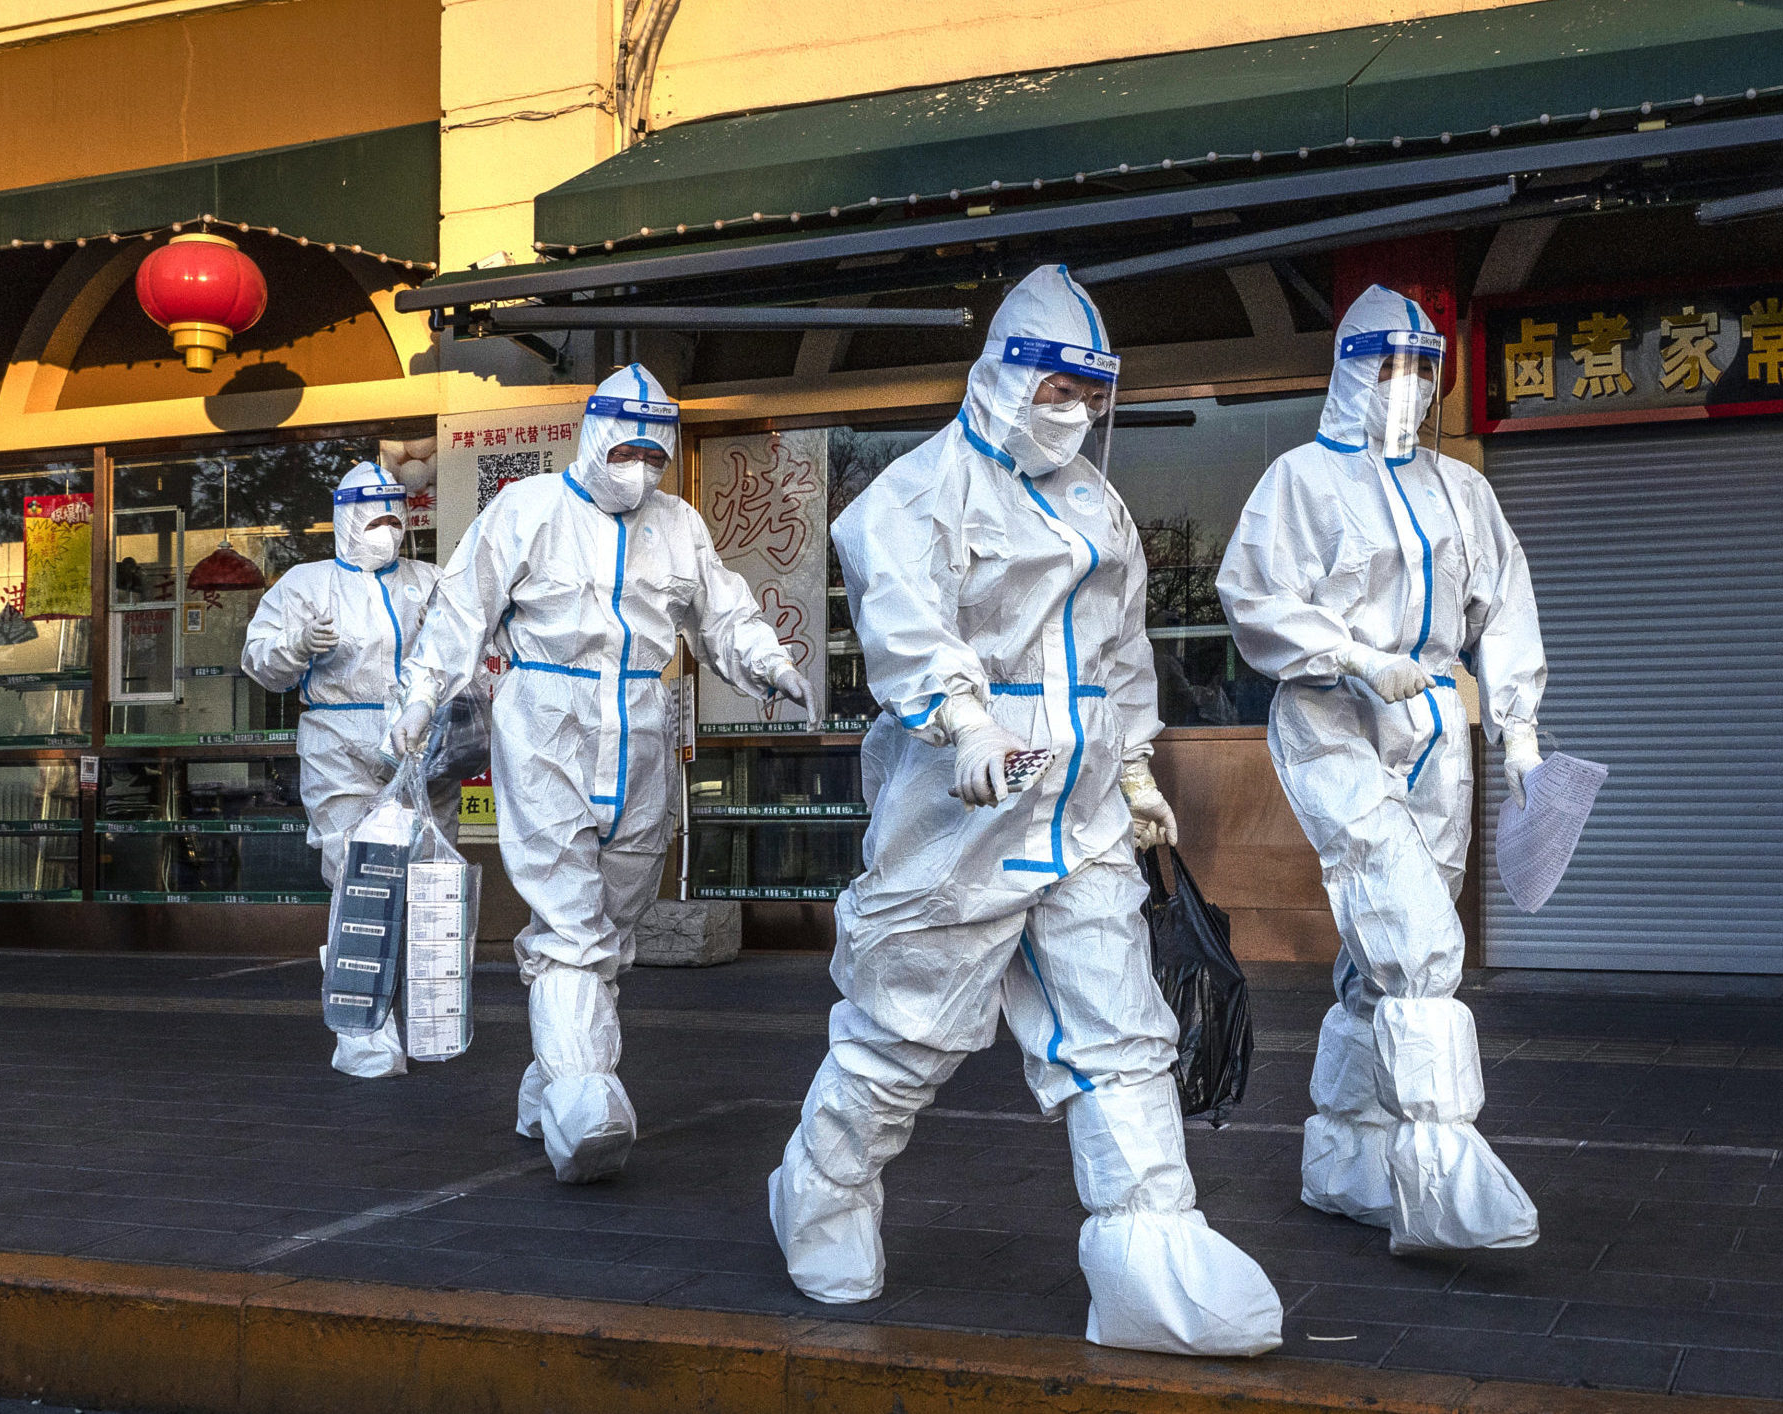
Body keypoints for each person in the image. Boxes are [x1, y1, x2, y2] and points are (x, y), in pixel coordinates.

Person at [767, 265, 1282, 1358]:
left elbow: (1121, 652)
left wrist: (1137, 770)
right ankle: (819, 1190)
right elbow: (910, 630)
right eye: (1055, 387)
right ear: (1001, 373)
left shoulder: (1098, 505)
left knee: (1120, 1035)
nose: (1074, 412)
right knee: (902, 1034)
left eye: (1089, 392)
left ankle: (1151, 1252)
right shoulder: (914, 493)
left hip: (1083, 817)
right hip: (958, 820)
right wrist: (963, 723)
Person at [387, 365, 809, 1183]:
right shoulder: (529, 510)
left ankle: (547, 1080)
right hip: (547, 719)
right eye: (626, 447)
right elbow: (461, 607)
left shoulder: (678, 524)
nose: (640, 466)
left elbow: (722, 610)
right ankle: (585, 1101)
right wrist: (421, 697)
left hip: (641, 724)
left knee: (615, 924)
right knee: (571, 918)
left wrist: (768, 663)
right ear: (591, 433)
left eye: (656, 453)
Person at [1215, 285, 1547, 1255]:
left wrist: (1516, 727)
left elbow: (1505, 598)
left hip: (1436, 722)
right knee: (1414, 939)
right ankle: (1440, 1171)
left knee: (1382, 957)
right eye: (1389, 368)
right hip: (1330, 715)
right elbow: (1251, 595)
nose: (1407, 388)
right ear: (1351, 372)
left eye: (1420, 370)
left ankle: (1344, 1159)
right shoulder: (1302, 482)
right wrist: (1353, 655)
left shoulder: (1461, 491)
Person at [242, 459, 453, 1079]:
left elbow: (466, 642)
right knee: (356, 879)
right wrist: (296, 645)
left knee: (425, 879)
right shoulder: (306, 586)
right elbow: (259, 660)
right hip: (340, 742)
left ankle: (421, 1017)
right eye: (376, 518)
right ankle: (360, 1028)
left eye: (396, 516)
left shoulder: (430, 580)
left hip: (421, 745)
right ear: (346, 522)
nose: (388, 529)